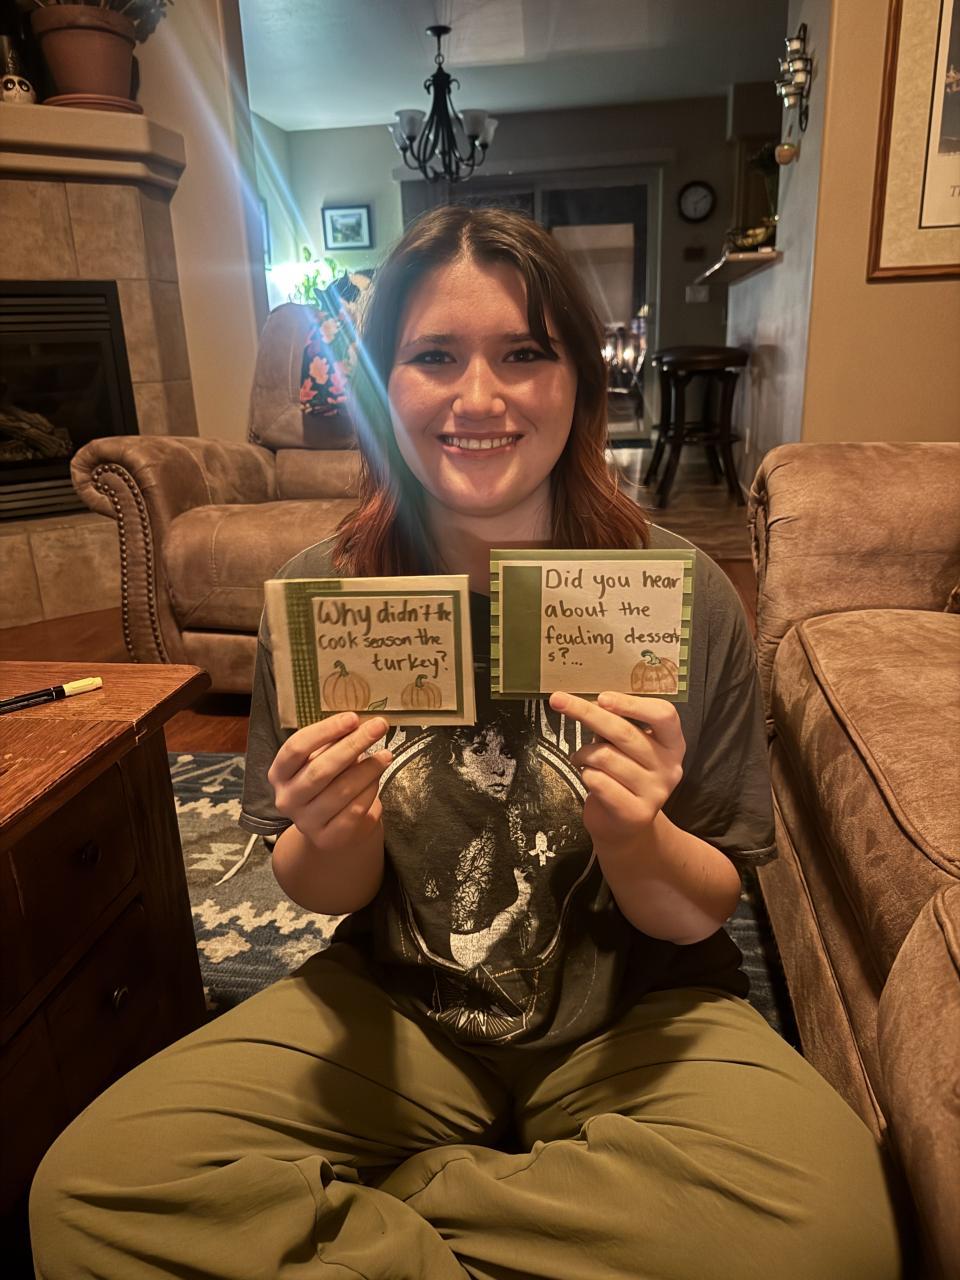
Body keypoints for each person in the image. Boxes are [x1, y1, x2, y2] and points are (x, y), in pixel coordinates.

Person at [29, 207, 903, 1280]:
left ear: (579, 381)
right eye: (434, 356)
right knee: (90, 1191)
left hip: (637, 1009)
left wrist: (635, 836)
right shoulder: (322, 595)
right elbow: (321, 887)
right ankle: (559, 1217)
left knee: (840, 1231)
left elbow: (702, 905)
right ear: (382, 386)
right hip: (403, 1005)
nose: (478, 397)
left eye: (524, 354)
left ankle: (418, 1195)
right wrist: (332, 830)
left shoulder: (684, 595)